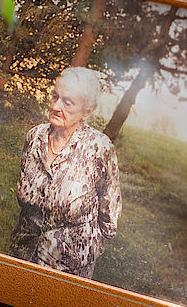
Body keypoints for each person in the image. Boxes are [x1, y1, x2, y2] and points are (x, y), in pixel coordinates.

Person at [9, 67, 121, 279]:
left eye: (67, 102)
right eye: (55, 96)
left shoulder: (99, 148)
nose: (56, 106)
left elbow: (110, 217)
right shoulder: (35, 137)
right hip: (22, 255)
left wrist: (87, 251)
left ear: (86, 112)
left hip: (68, 270)